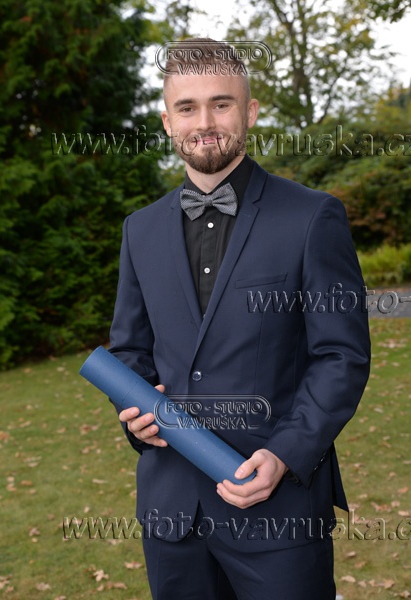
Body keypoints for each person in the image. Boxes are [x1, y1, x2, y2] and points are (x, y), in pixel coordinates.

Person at [108, 38, 371, 600]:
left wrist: (284, 455)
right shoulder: (139, 229)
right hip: (171, 516)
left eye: (221, 103)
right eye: (187, 107)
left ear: (249, 112)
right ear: (167, 121)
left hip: (279, 511)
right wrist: (133, 416)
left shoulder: (312, 217)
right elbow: (129, 348)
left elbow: (340, 356)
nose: (204, 122)